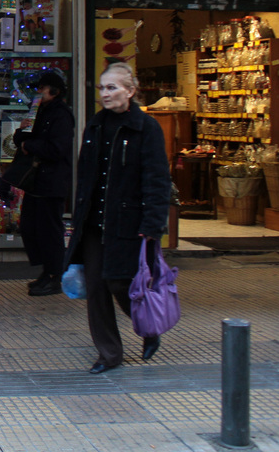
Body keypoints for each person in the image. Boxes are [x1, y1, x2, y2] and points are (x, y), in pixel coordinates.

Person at [65, 62, 171, 374]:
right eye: (102, 88)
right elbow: (85, 177)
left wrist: (153, 224)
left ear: (131, 91)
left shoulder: (146, 128)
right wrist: (76, 219)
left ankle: (149, 328)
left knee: (121, 283)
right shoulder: (96, 125)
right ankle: (109, 354)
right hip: (94, 224)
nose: (105, 94)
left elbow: (157, 179)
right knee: (96, 287)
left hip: (129, 224)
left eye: (112, 88)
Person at [14, 70, 75, 297]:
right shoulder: (39, 111)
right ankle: (46, 271)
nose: (38, 92)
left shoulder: (61, 115)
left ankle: (55, 276)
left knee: (50, 230)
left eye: (42, 88)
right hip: (35, 181)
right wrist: (23, 131)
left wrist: (30, 146)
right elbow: (20, 139)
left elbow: (58, 149)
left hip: (52, 181)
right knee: (30, 227)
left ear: (54, 91)